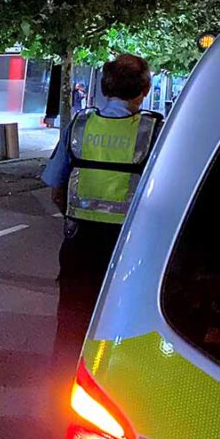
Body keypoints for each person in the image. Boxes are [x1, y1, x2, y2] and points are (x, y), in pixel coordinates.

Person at [42, 54, 163, 368]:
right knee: (122, 325)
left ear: (104, 86)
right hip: (129, 249)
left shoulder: (81, 124)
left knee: (71, 321)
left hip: (79, 242)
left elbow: (56, 186)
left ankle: (62, 386)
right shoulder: (154, 130)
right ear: (145, 88)